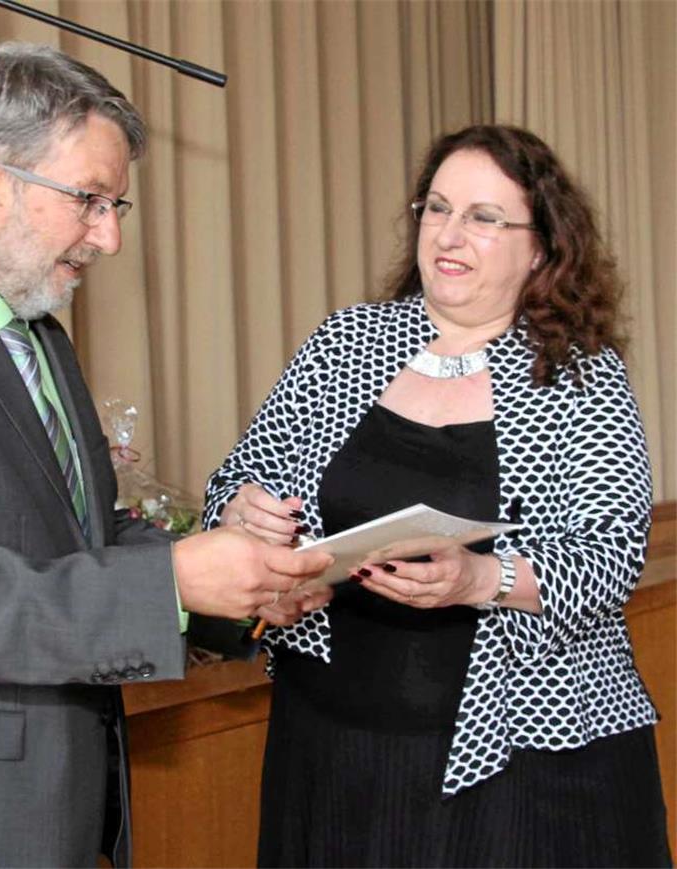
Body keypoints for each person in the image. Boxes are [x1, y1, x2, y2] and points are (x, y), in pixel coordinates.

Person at [0, 42, 332, 869]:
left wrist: (241, 588)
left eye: (115, 206)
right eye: (90, 200)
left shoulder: (39, 336)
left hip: (59, 810)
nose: (109, 238)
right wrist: (173, 581)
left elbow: (85, 538)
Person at [204, 124, 673, 868]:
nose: (451, 233)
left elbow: (610, 556)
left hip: (525, 760)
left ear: (542, 247)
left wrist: (480, 577)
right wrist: (240, 514)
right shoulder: (344, 343)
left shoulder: (580, 377)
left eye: (485, 218)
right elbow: (234, 482)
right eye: (438, 208)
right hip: (334, 745)